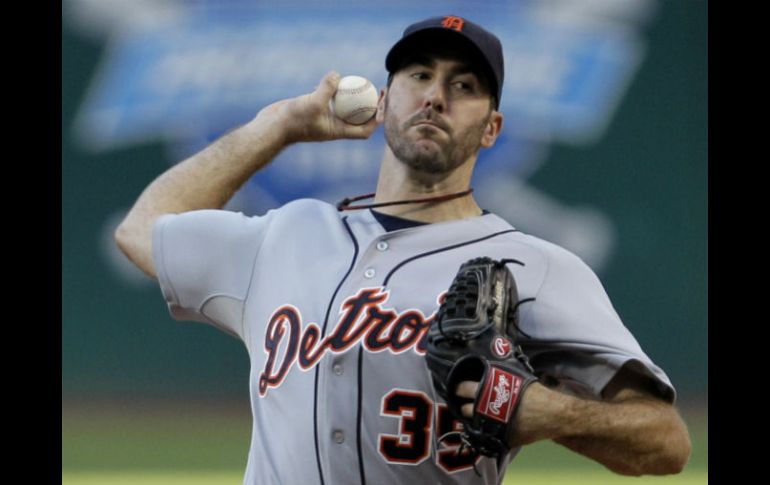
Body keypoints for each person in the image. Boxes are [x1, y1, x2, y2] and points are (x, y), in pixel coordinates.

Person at [115, 15, 691, 485]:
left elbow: (666, 444)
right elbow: (142, 230)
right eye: (419, 76)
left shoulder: (537, 267)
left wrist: (550, 412)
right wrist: (277, 127)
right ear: (385, 100)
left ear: (492, 128)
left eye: (464, 86)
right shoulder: (287, 235)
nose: (436, 97)